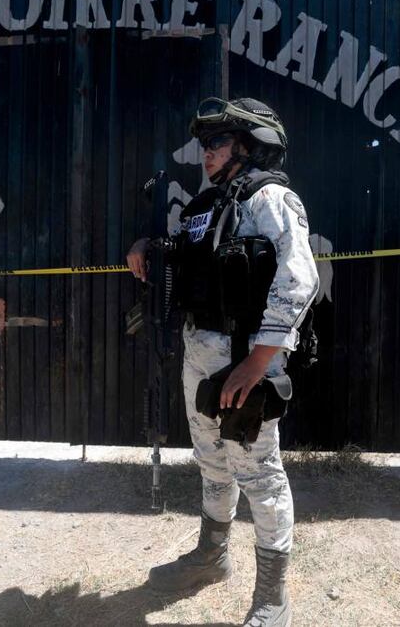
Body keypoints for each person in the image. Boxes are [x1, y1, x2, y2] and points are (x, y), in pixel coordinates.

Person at [127, 97, 318, 627]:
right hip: (201, 357)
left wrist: (257, 364)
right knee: (212, 464)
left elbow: (300, 280)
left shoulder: (270, 199)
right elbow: (187, 258)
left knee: (260, 476)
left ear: (249, 145)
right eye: (204, 143)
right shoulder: (207, 206)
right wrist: (147, 246)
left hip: (244, 362)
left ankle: (273, 597)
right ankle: (211, 557)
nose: (206, 152)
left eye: (217, 142)